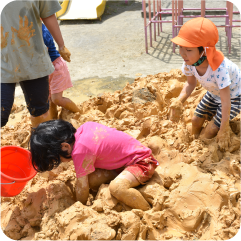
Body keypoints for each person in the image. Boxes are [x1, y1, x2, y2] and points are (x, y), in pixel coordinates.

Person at [30, 120, 159, 211]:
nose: (60, 162)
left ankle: (147, 210)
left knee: (116, 188)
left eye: (57, 159)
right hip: (122, 163)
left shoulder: (80, 151)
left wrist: (79, 206)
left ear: (65, 146)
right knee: (92, 180)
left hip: (142, 162)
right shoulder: (84, 129)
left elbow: (82, 187)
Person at [169, 17, 241, 151]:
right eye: (181, 48)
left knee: (210, 130)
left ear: (204, 51)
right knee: (195, 121)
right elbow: (190, 84)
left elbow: (226, 102)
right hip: (214, 93)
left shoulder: (219, 69)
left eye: (189, 50)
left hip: (234, 97)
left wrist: (224, 128)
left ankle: (201, 147)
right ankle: (194, 142)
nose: (183, 54)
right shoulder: (189, 63)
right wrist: (179, 101)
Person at [0, 0, 71, 128]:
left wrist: (61, 45)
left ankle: (39, 145)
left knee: (40, 112)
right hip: (2, 62)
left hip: (33, 60)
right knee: (1, 114)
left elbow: (48, 13)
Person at [42, 23, 81, 119]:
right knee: (50, 100)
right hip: (45, 70)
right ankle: (54, 121)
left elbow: (40, 54)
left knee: (57, 99)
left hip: (56, 68)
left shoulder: (42, 31)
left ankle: (79, 112)